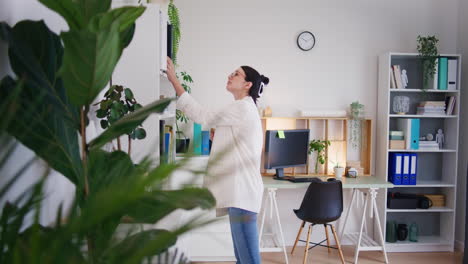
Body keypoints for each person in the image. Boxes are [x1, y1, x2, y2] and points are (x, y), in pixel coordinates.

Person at [166, 57, 269, 264]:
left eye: (236, 74)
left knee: (248, 259)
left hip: (242, 193)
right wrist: (220, 134)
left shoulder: (242, 108)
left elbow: (202, 115)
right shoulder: (244, 108)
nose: (230, 75)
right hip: (240, 193)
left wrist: (174, 81)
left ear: (247, 85)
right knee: (242, 258)